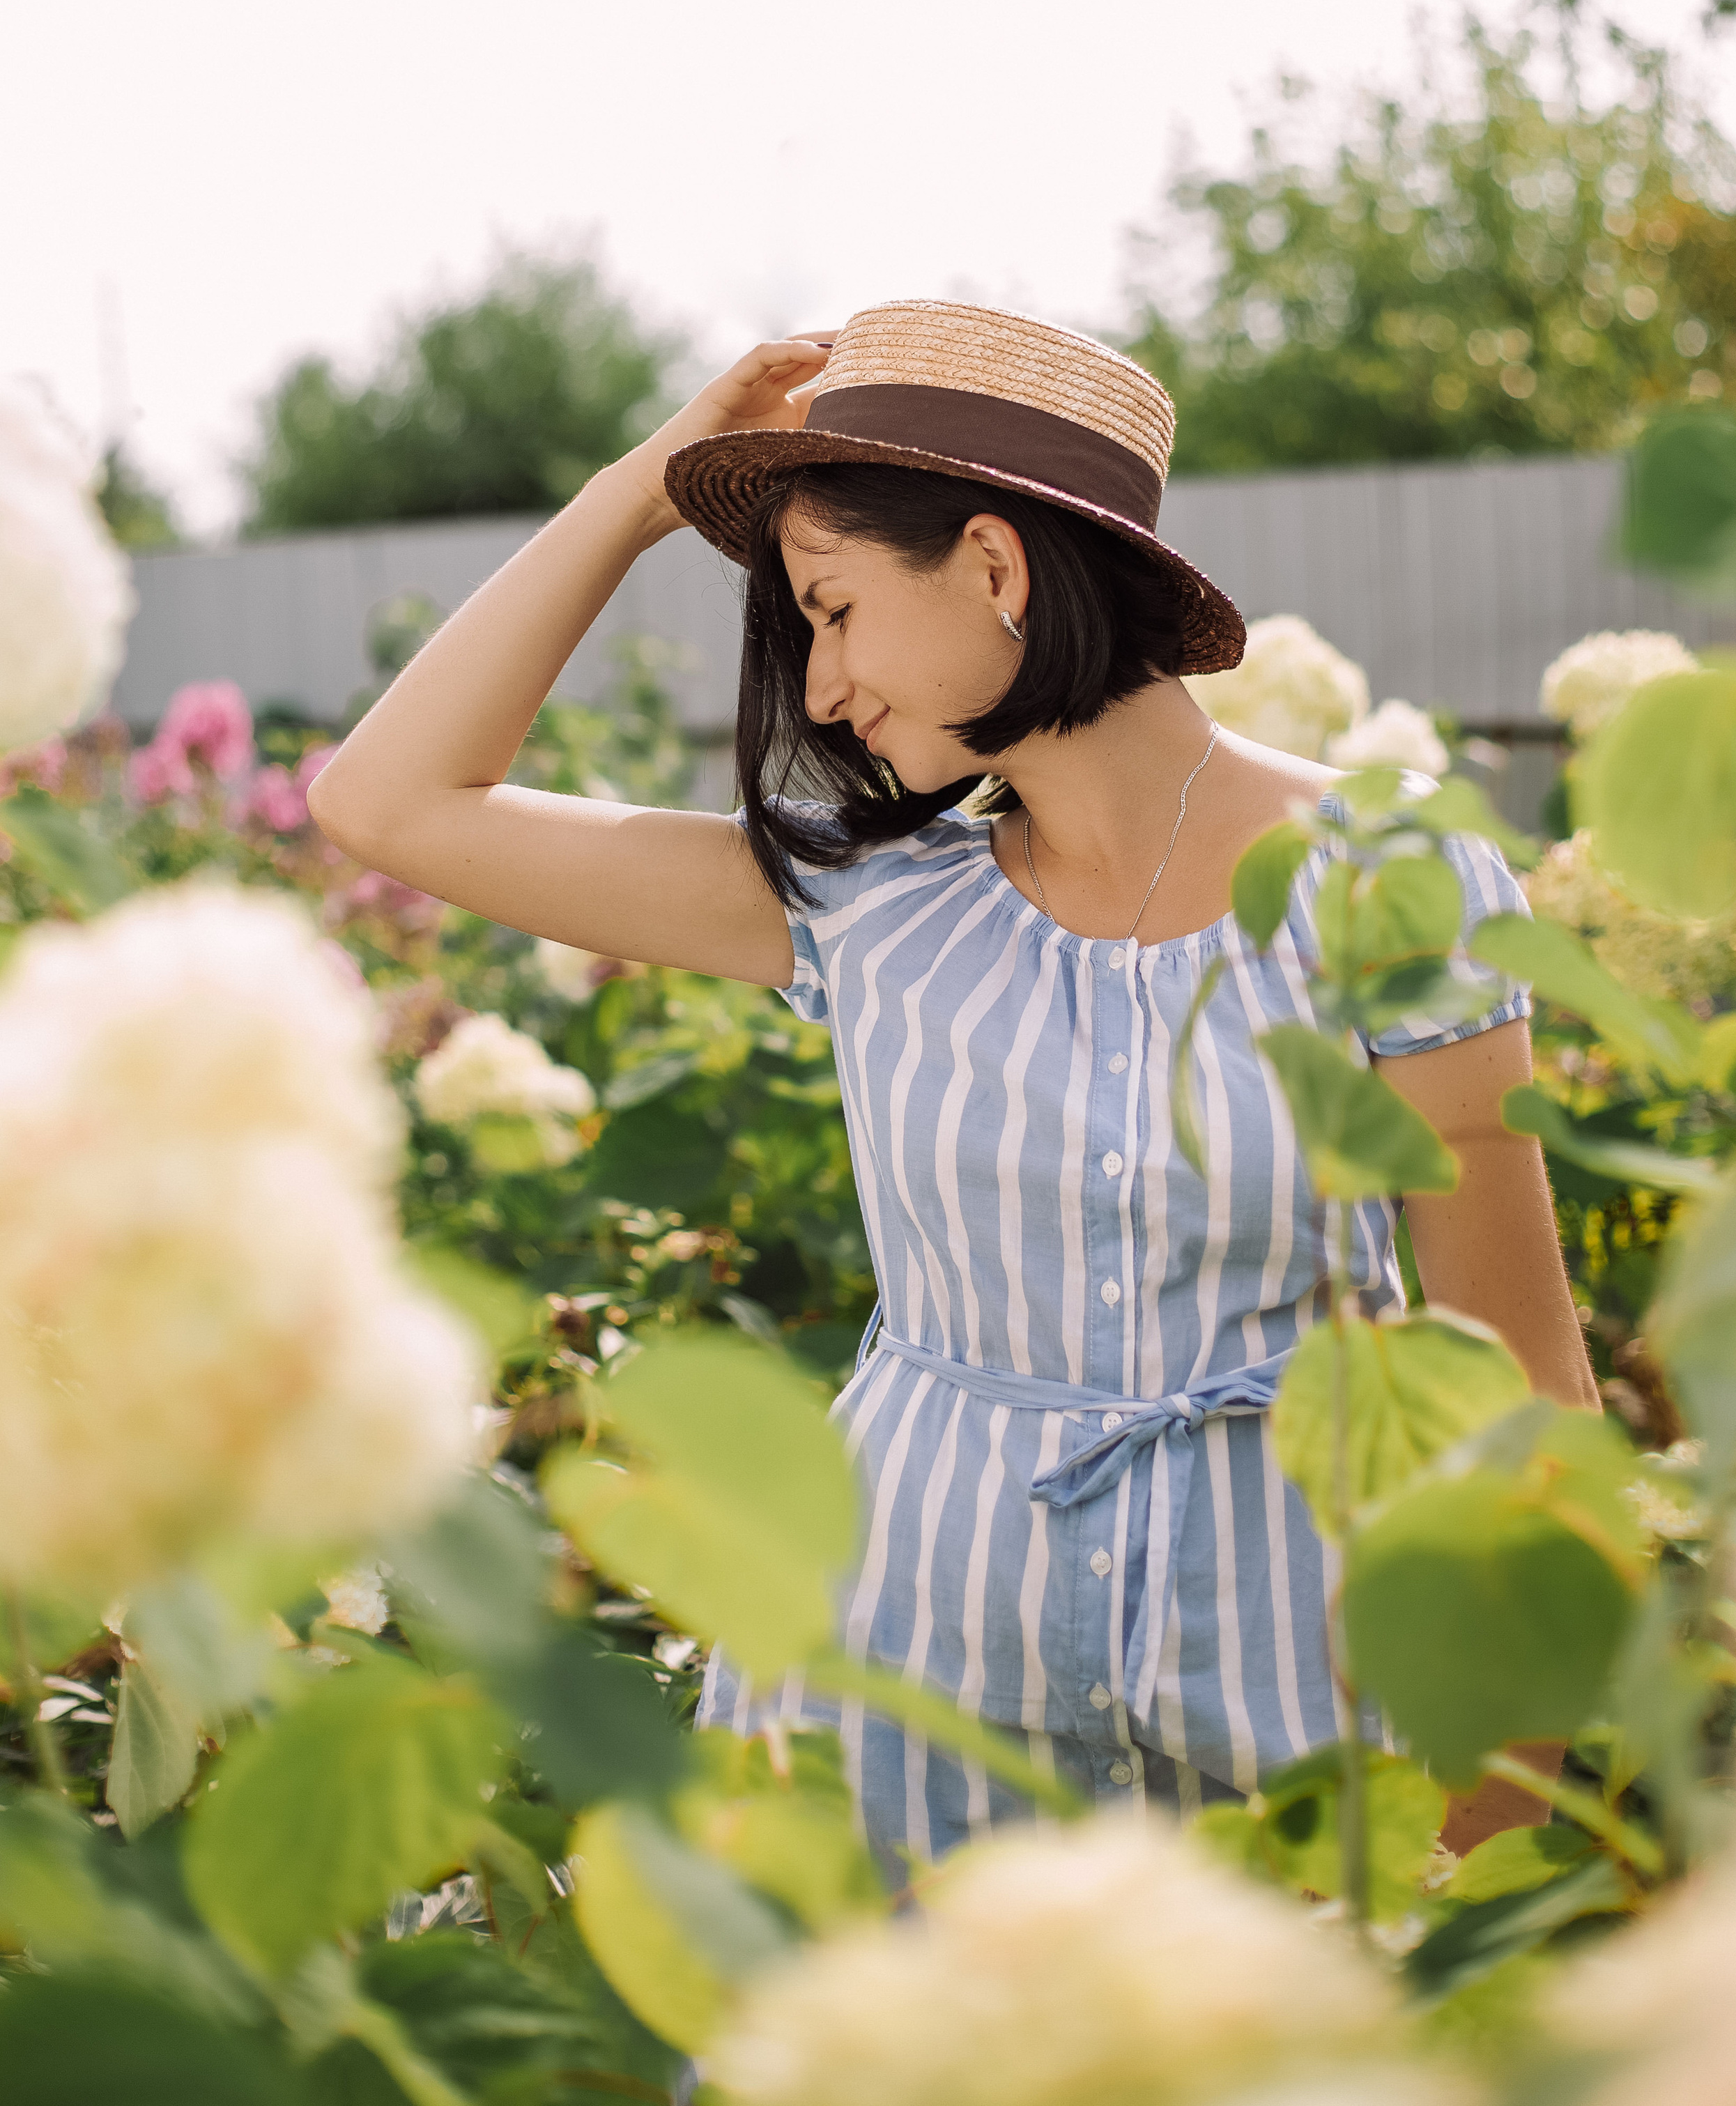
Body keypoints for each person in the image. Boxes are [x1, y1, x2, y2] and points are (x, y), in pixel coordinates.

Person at [308, 297, 1599, 1880]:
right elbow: (389, 797)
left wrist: (1486, 1841)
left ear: (993, 567)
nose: (826, 686)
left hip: (1290, 1692)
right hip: (894, 1682)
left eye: (833, 608)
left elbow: (1529, 1391)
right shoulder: (864, 903)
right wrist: (654, 479)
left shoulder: (1383, 877)